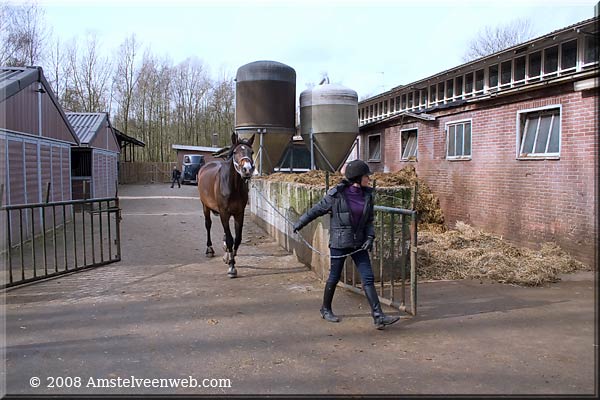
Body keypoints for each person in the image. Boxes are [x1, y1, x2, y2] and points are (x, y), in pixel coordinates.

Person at [292, 159, 400, 330]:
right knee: (334, 277)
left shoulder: (368, 195)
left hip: (359, 243)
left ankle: (378, 316)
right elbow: (316, 210)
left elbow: (369, 221)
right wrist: (299, 223)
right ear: (358, 177)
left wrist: (370, 238)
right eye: (366, 176)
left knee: (368, 278)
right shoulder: (336, 195)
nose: (369, 179)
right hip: (340, 242)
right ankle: (325, 309)